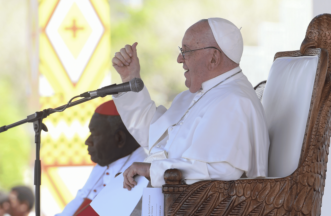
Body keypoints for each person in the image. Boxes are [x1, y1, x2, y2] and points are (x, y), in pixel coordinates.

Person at [111, 18, 270, 189]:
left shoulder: (235, 101)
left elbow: (221, 174)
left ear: (213, 58)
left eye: (186, 51)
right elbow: (152, 136)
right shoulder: (192, 96)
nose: (180, 59)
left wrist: (153, 170)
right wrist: (130, 78)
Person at [56, 100, 147, 216]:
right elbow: (81, 197)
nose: (87, 141)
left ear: (119, 138)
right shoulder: (104, 163)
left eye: (95, 134)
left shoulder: (143, 172)